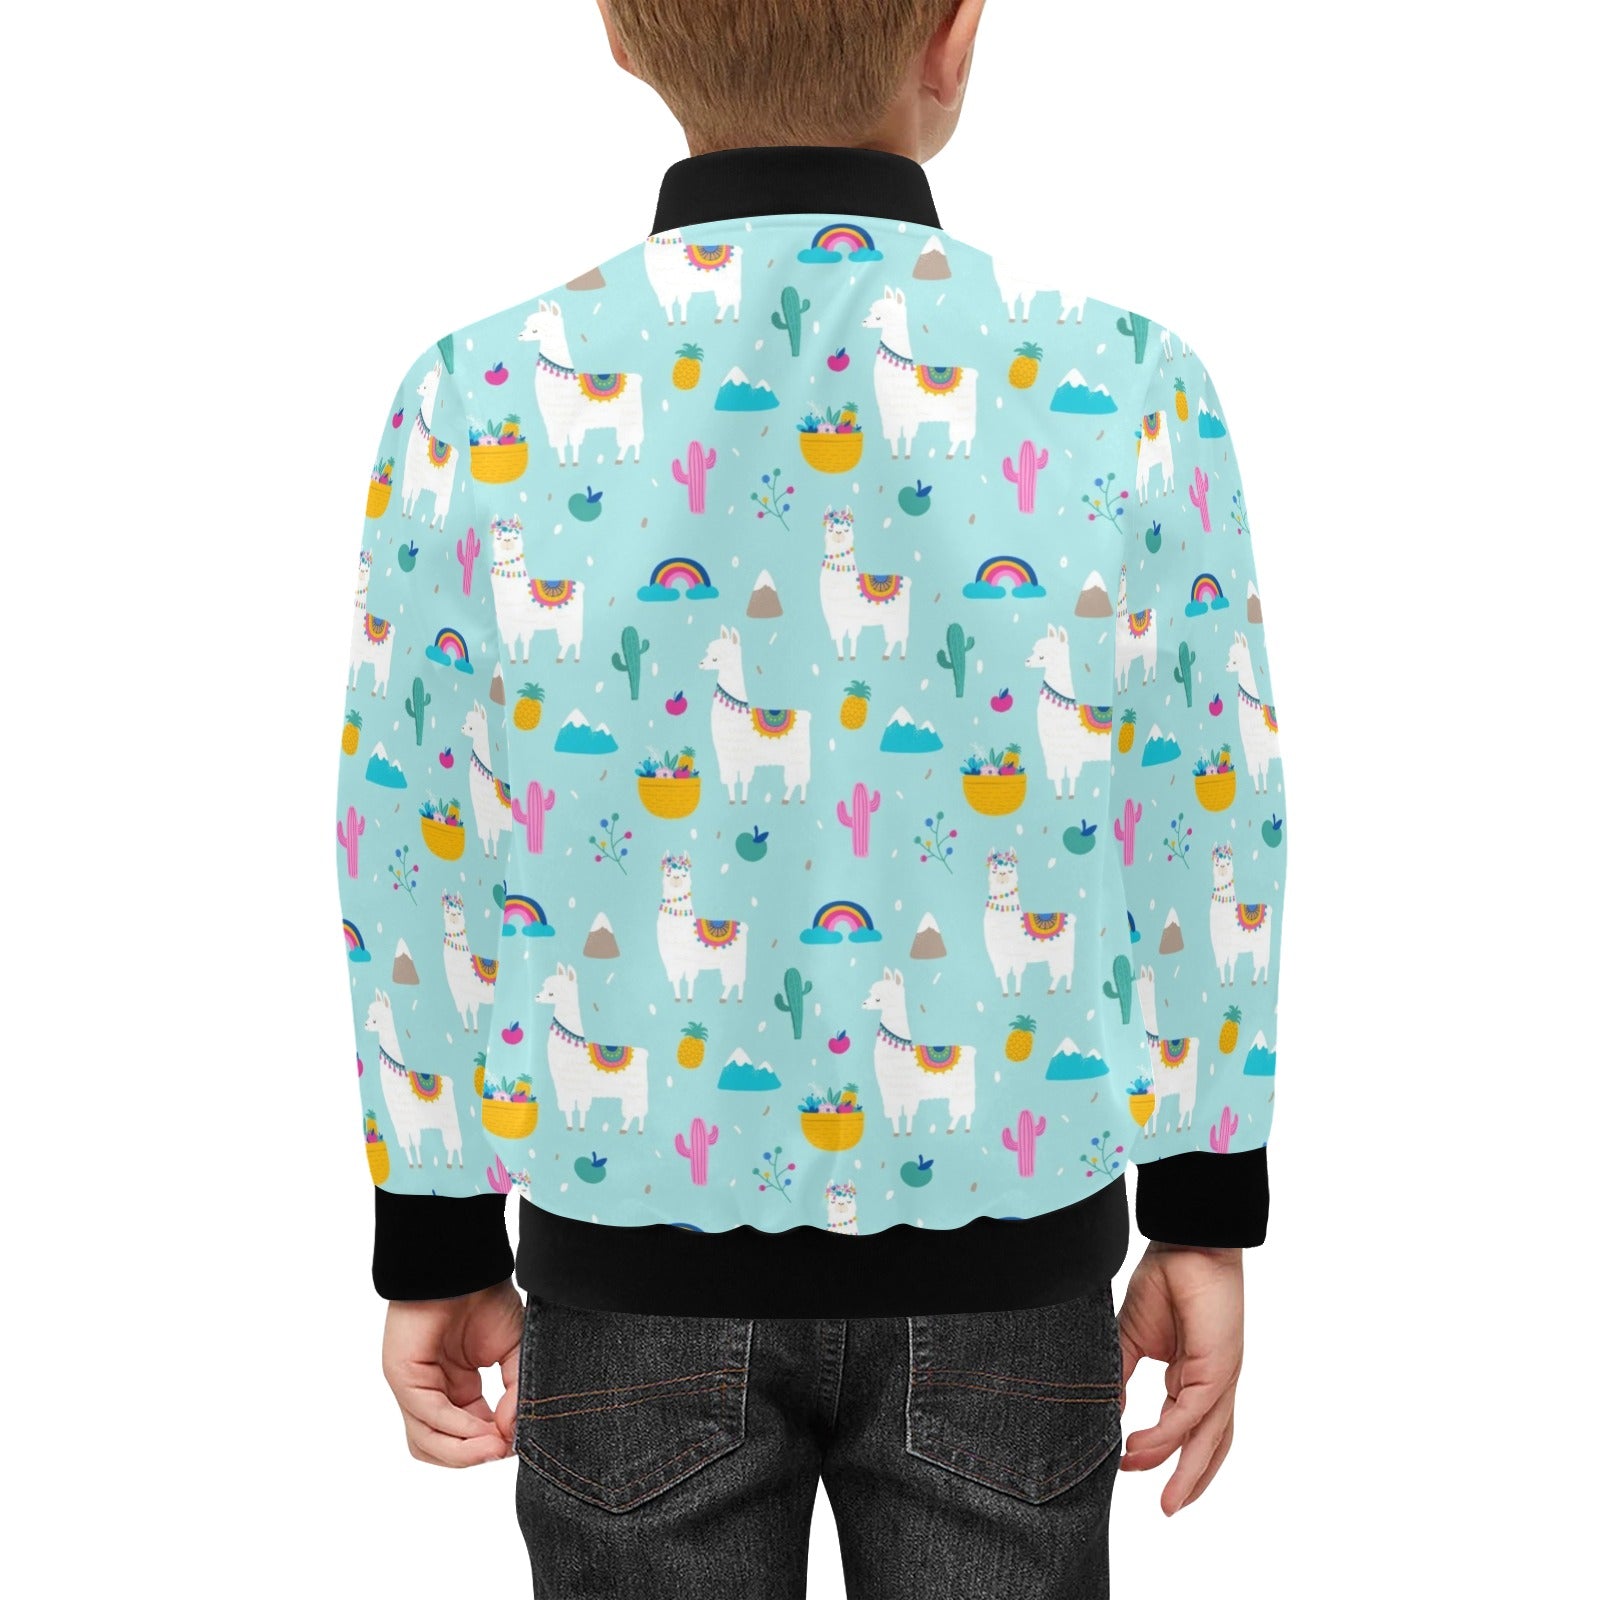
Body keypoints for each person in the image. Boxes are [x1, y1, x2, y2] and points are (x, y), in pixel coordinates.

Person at [333, 2, 1287, 1592]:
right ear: (954, 35)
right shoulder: (1126, 384)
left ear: (623, 31)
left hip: (627, 1285)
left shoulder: (480, 396)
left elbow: (416, 835)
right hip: (1013, 1276)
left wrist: (435, 1227)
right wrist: (1201, 1203)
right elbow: (1204, 812)